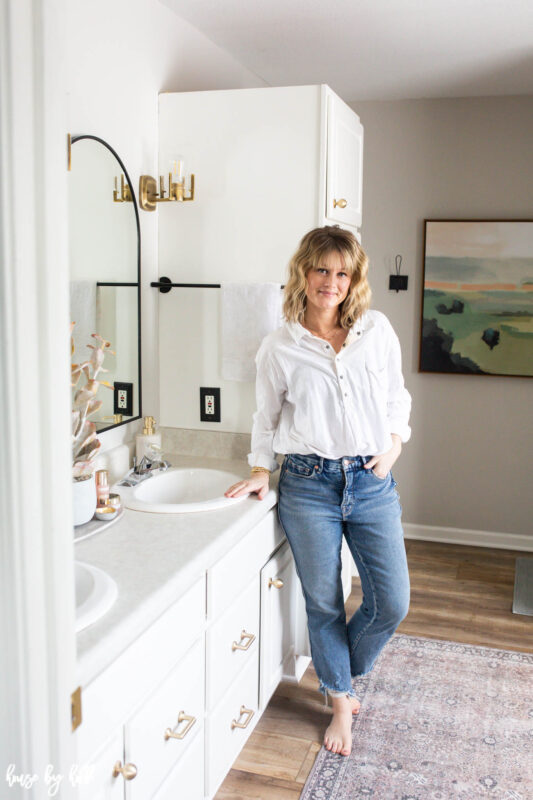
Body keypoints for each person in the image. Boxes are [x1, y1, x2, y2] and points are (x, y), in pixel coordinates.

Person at [225, 225, 412, 757]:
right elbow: (267, 417)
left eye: (342, 272)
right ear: (303, 272)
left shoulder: (376, 330)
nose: (331, 281)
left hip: (372, 479)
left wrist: (394, 445)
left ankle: (340, 678)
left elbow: (398, 397)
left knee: (391, 602)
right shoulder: (279, 346)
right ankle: (340, 707)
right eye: (322, 270)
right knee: (324, 602)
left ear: (353, 280)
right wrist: (261, 470)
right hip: (308, 483)